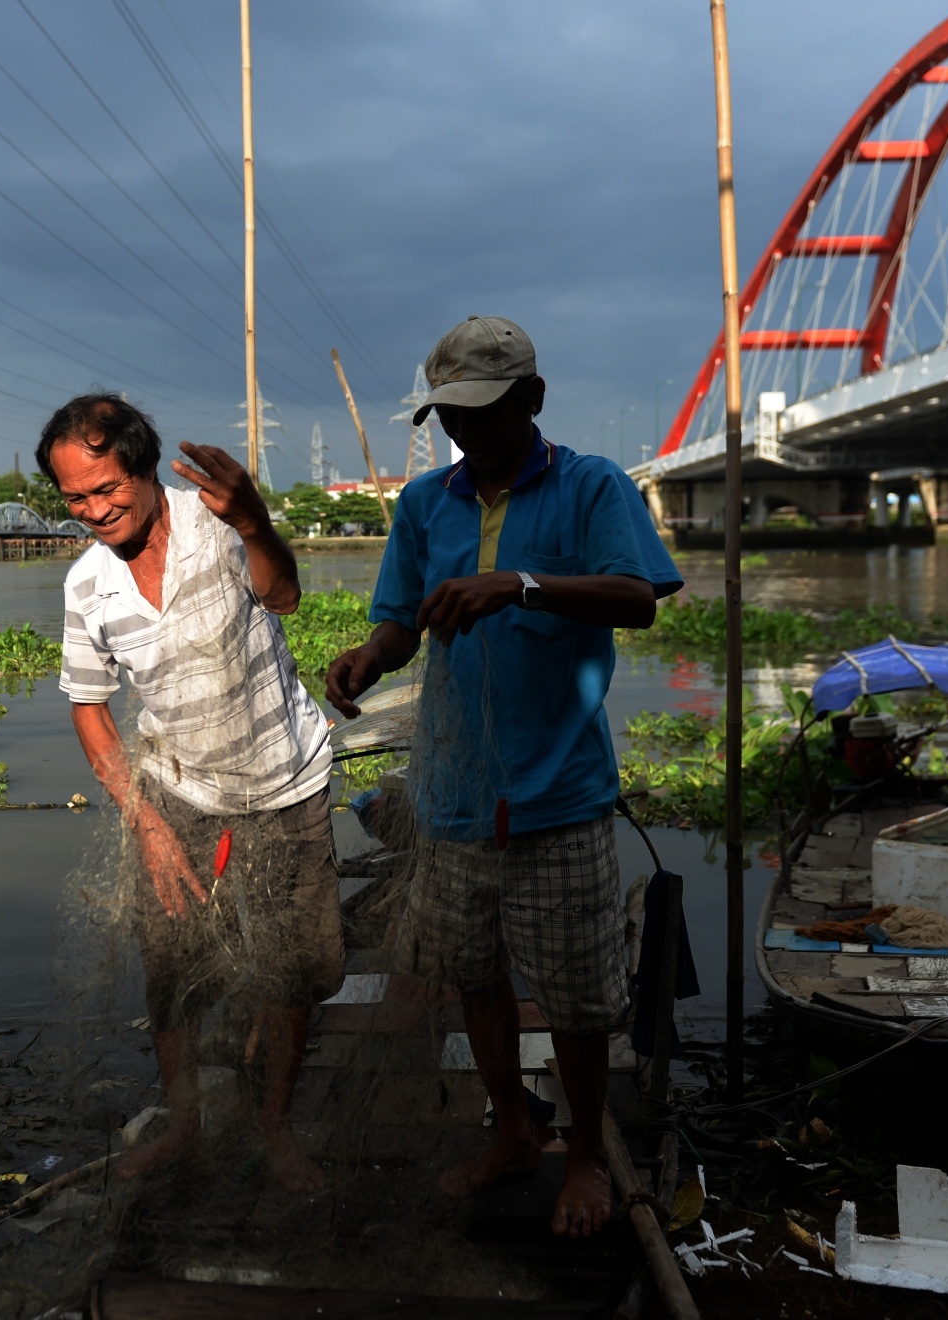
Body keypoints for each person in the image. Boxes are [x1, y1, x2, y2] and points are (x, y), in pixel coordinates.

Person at [324, 317, 682, 1237]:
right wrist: (369, 658)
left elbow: (637, 597)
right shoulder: (424, 505)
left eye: (483, 410)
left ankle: (587, 1157)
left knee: (575, 995)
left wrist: (521, 583)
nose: (466, 430)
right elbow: (403, 618)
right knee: (473, 975)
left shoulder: (591, 485)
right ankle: (514, 1133)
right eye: (449, 414)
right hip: (452, 795)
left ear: (532, 399)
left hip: (556, 792)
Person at [45, 393, 341, 1193]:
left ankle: (275, 1130)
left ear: (142, 470)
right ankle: (184, 1125)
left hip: (285, 780)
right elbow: (90, 709)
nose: (95, 510)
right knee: (172, 968)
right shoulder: (86, 586)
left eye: (106, 489)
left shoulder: (215, 524)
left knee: (290, 968)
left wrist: (254, 522)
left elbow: (282, 597)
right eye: (75, 499)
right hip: (178, 789)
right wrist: (144, 825)